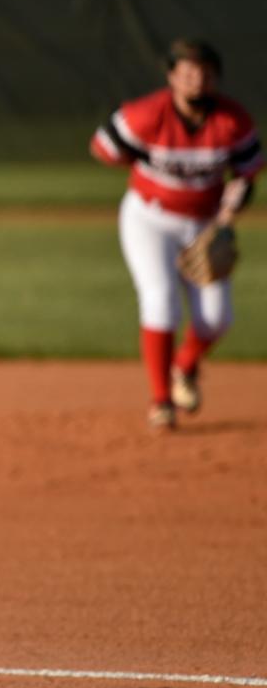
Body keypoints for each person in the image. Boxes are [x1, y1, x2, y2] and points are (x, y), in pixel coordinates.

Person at [90, 38, 263, 429]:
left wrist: (235, 203)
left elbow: (248, 173)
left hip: (206, 225)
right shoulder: (147, 114)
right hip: (150, 220)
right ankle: (161, 401)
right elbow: (102, 146)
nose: (196, 81)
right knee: (161, 300)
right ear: (172, 77)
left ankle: (184, 366)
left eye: (204, 73)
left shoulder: (233, 121)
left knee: (217, 320)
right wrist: (148, 172)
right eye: (187, 73)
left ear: (216, 78)